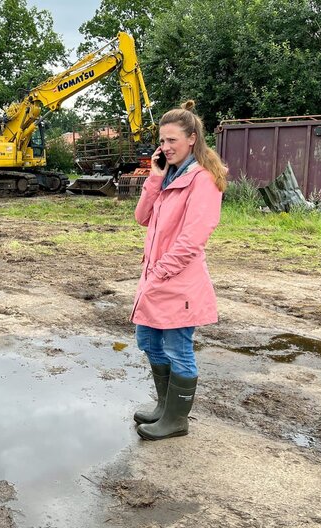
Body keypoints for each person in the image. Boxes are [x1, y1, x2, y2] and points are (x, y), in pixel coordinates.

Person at [130, 99, 228, 441]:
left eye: (172, 140)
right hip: (155, 280)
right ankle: (163, 408)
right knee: (148, 341)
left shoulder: (203, 180)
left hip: (178, 282)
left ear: (192, 139)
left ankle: (176, 420)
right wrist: (155, 177)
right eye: (162, 140)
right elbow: (142, 217)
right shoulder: (169, 174)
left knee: (177, 348)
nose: (165, 146)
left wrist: (159, 274)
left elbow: (192, 239)